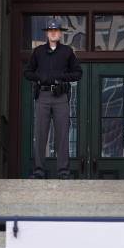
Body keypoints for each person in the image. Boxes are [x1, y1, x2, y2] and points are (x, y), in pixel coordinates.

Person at [23, 18, 83, 180]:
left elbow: (78, 73)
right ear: (47, 33)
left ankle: (63, 171)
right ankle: (38, 171)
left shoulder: (67, 51)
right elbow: (27, 72)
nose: (53, 33)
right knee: (40, 134)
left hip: (60, 96)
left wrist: (62, 77)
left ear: (60, 33)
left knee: (62, 134)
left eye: (56, 30)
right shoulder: (38, 52)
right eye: (51, 31)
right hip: (42, 95)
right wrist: (40, 77)